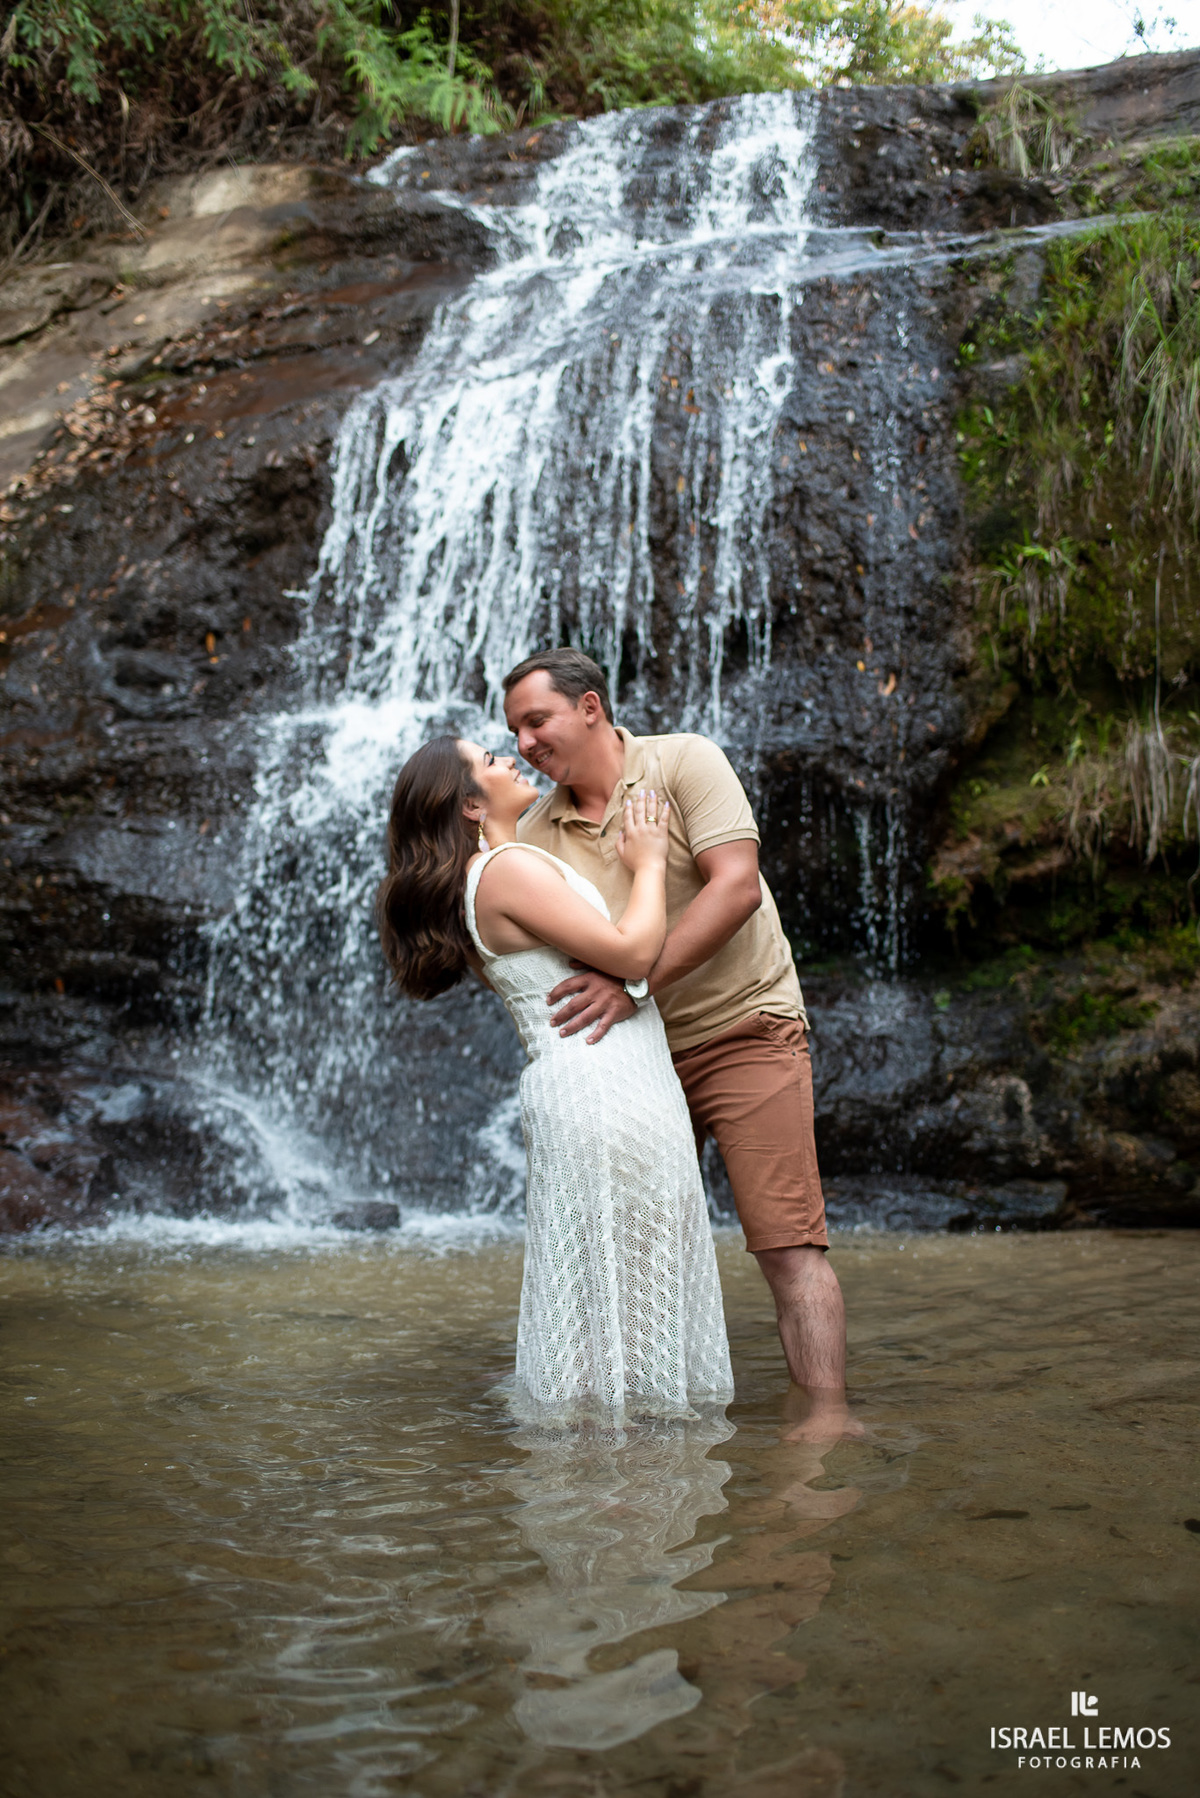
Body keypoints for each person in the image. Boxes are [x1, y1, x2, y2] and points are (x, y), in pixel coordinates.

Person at [503, 648, 855, 1440]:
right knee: (620, 1247)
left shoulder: (685, 761)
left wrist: (633, 986)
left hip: (744, 1028)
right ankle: (622, 1416)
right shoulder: (533, 831)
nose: (524, 744)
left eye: (536, 721)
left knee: (787, 1242)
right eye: (513, 731)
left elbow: (737, 885)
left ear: (590, 707)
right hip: (635, 1060)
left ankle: (828, 1420)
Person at [375, 735, 733, 1422]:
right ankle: (627, 1493)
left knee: (606, 1285)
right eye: (489, 762)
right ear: (472, 804)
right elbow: (631, 953)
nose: (510, 760)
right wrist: (651, 863)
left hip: (596, 1081)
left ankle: (599, 1487)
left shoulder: (487, 876)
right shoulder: (505, 869)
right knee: (626, 1280)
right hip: (606, 1085)